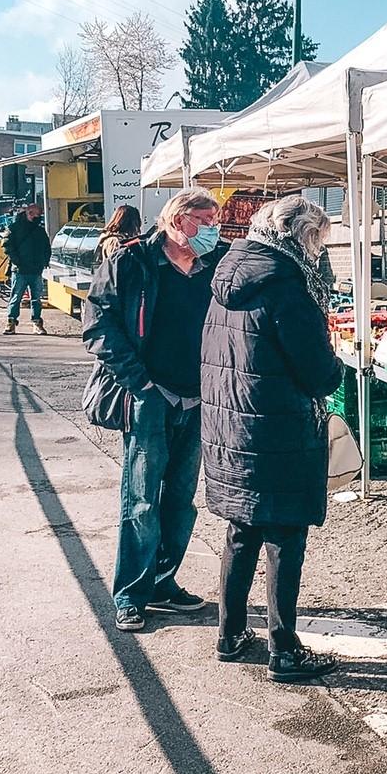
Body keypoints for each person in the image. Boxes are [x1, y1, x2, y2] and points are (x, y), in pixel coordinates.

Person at [202, 195, 343, 683]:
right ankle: (284, 649)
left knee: (242, 531)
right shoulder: (286, 286)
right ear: (299, 237)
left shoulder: (229, 271)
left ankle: (231, 633)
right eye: (317, 240)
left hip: (231, 424)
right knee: (285, 535)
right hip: (277, 428)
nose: (319, 251)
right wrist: (337, 365)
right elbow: (320, 373)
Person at [81, 188, 227, 633]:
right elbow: (98, 324)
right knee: (141, 499)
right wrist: (139, 383)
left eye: (215, 219)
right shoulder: (132, 262)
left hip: (198, 397)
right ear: (177, 220)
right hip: (149, 397)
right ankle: (131, 593)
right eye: (204, 219)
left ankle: (164, 581)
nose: (212, 228)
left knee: (181, 499)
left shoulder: (216, 263)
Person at [3, 203, 52, 336]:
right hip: (20, 269)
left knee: (36, 298)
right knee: (16, 297)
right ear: (29, 213)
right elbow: (7, 246)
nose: (38, 218)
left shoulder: (39, 230)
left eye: (40, 215)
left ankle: (37, 322)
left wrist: (45, 261)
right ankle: (11, 321)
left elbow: (46, 247)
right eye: (37, 215)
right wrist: (17, 261)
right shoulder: (15, 228)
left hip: (36, 269)